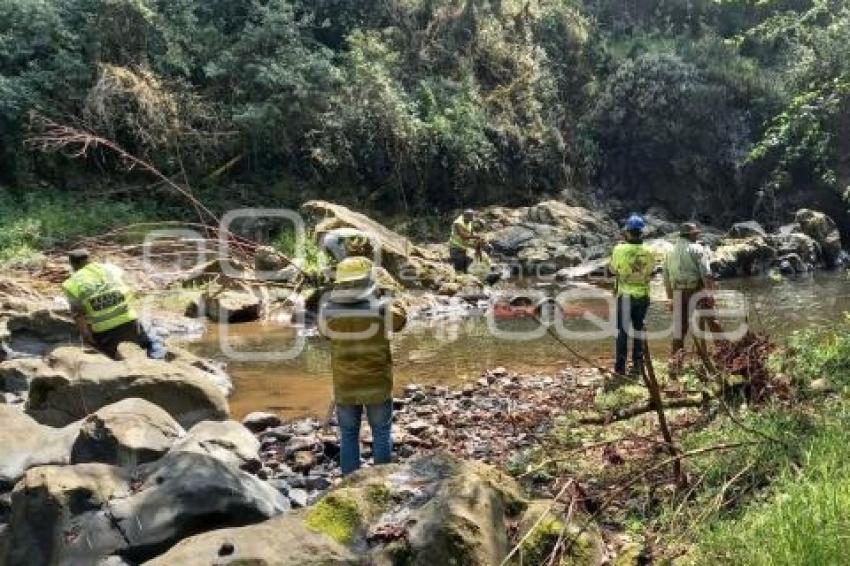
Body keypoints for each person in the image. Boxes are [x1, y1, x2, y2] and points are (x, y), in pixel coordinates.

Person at [318, 254, 407, 475]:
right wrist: (390, 295)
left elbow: (325, 335)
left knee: (348, 435)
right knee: (381, 432)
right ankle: (381, 481)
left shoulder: (329, 311)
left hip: (345, 385)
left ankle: (350, 484)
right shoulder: (381, 308)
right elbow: (401, 320)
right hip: (376, 384)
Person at [62, 249, 164, 360]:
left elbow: (78, 315)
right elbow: (125, 287)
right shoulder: (110, 269)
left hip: (104, 332)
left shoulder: (71, 283)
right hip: (130, 323)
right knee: (153, 338)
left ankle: (115, 358)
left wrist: (88, 338)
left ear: (72, 264)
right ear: (90, 259)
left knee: (107, 350)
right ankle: (156, 359)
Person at [663, 222, 721, 372]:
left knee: (679, 329)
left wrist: (670, 298)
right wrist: (710, 294)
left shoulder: (670, 252)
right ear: (690, 235)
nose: (697, 236)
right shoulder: (697, 249)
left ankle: (676, 364)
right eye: (695, 234)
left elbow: (666, 278)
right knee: (713, 322)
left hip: (677, 291)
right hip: (696, 289)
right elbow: (706, 273)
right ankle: (725, 355)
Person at [609, 214, 655, 376]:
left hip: (625, 296)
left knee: (622, 331)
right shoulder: (649, 250)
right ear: (642, 232)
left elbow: (613, 270)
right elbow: (650, 272)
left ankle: (620, 368)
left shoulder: (619, 249)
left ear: (627, 232)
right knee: (639, 329)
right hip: (642, 296)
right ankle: (638, 365)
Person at [448, 208, 481, 273]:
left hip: (464, 247)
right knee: (459, 265)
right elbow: (463, 236)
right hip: (455, 247)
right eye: (471, 217)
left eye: (472, 217)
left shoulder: (469, 221)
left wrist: (476, 241)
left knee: (467, 264)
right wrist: (476, 237)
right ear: (465, 216)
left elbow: (470, 232)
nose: (472, 219)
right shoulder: (458, 223)